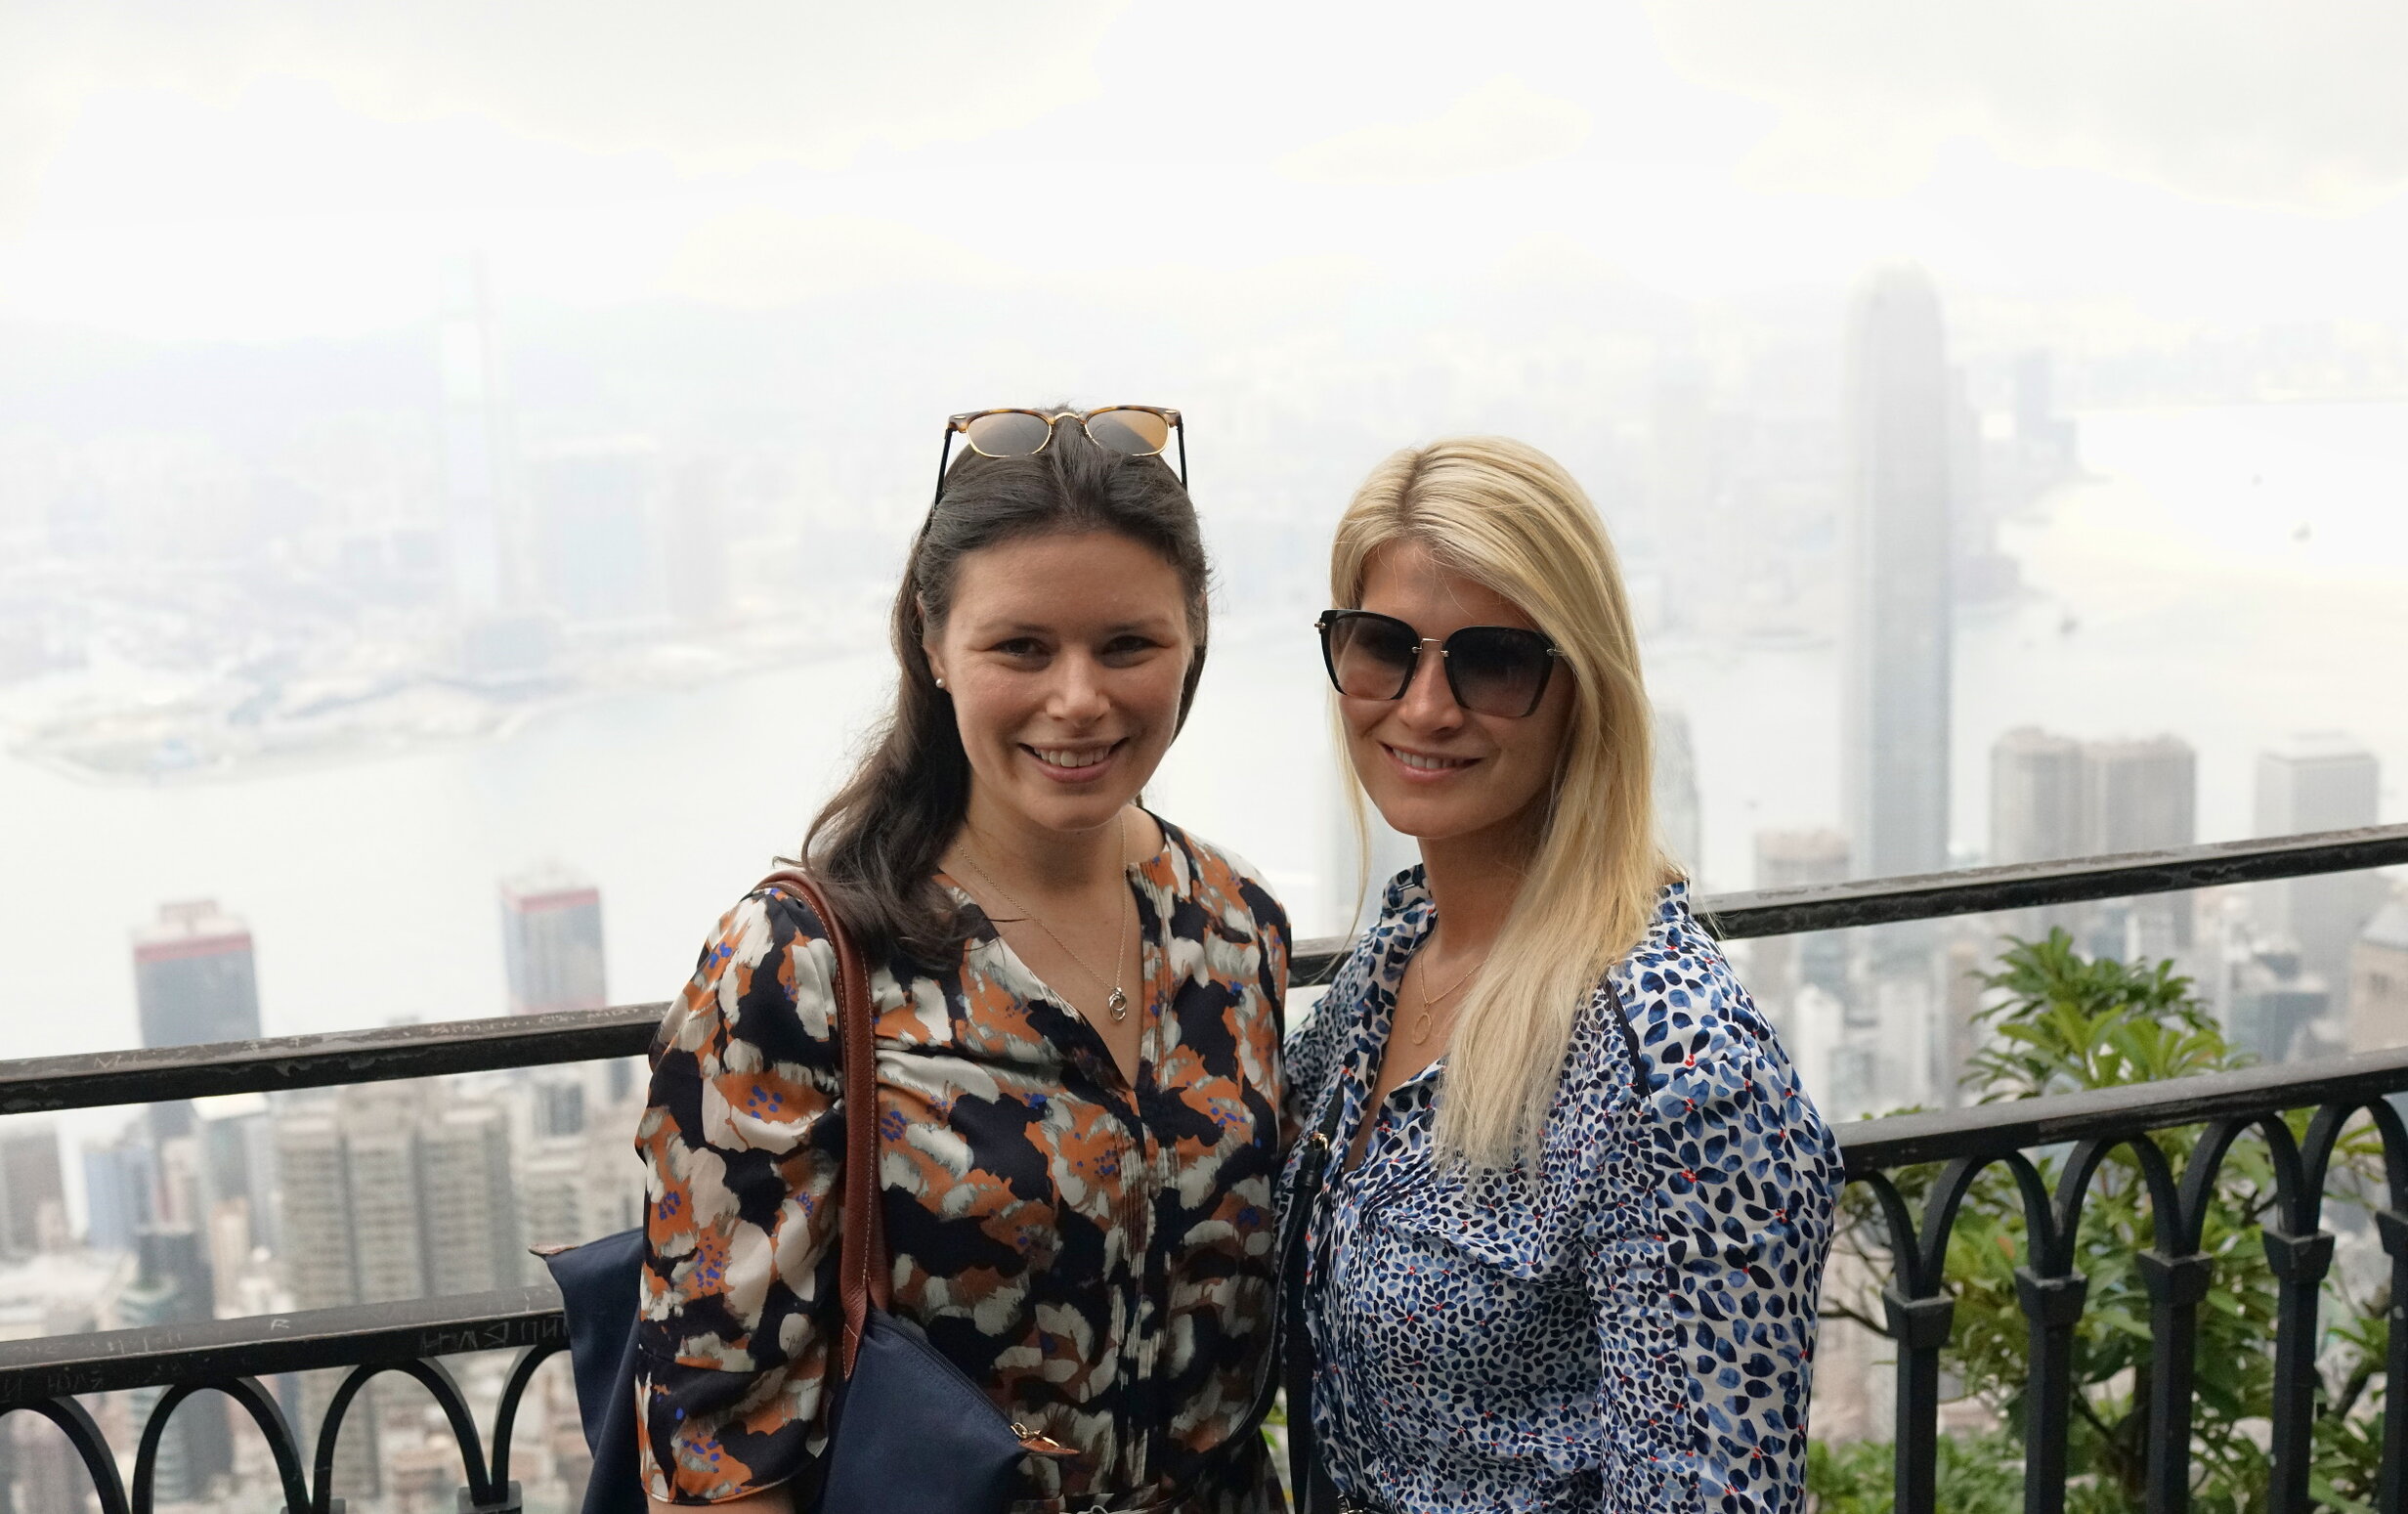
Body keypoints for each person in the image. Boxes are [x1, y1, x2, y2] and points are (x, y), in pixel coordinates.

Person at [636, 409, 1291, 1514]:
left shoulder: (1231, 927)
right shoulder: (796, 967)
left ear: (1192, 643)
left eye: (1127, 645)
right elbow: (718, 1455)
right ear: (933, 647)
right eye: (1021, 647)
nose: (1077, 698)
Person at [1282, 437, 1841, 1513]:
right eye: (1381, 645)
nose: (1425, 706)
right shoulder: (1397, 959)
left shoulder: (1677, 1066)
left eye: (1492, 660)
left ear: (1580, 687)